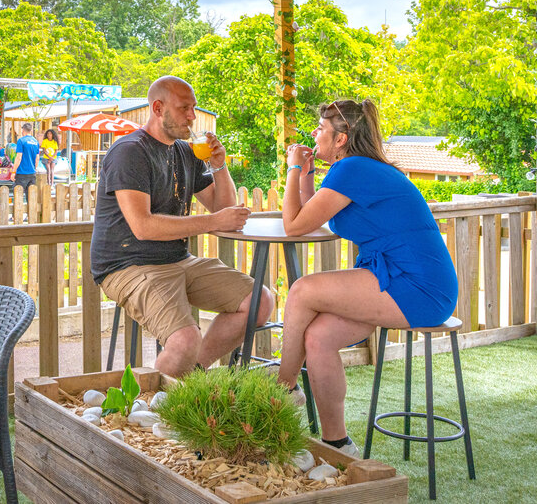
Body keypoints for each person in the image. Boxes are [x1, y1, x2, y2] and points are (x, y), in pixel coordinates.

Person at [276, 98, 458, 458]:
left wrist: (293, 169)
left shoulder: (353, 170)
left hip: (417, 285)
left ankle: (284, 389)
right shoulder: (354, 170)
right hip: (392, 276)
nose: (314, 134)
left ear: (341, 139)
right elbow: (313, 215)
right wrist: (308, 172)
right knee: (318, 338)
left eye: (321, 129)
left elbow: (293, 225)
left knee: (301, 291)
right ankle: (337, 443)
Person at [91, 76, 270, 378]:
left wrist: (219, 164)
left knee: (260, 302)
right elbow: (143, 226)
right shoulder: (129, 151)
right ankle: (155, 413)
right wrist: (213, 222)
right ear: (158, 108)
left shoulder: (186, 152)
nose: (192, 116)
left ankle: (189, 374)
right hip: (127, 265)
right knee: (185, 339)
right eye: (184, 108)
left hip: (177, 260)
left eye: (194, 108)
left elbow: (222, 208)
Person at [13, 123, 42, 195]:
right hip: (32, 173)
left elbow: (18, 157)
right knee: (31, 196)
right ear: (31, 131)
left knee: (18, 195)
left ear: (23, 130)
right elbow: (37, 158)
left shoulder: (21, 141)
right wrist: (34, 168)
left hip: (22, 173)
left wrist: (13, 172)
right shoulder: (36, 142)